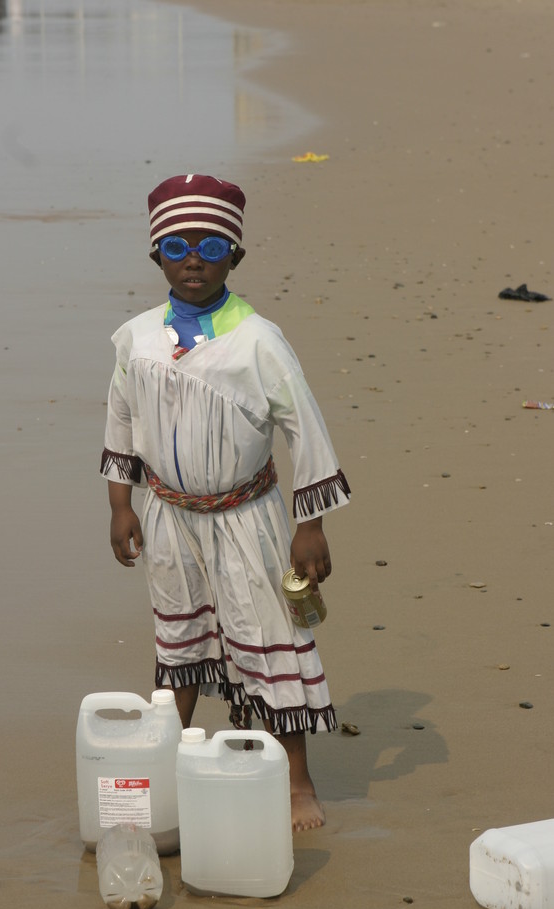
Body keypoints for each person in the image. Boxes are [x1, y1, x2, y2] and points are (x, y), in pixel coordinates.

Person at [101, 173, 351, 832]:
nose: (192, 261)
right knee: (178, 640)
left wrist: (310, 527)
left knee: (270, 638)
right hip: (165, 515)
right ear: (156, 255)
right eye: (177, 247)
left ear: (233, 258)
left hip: (249, 516)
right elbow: (119, 423)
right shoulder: (135, 339)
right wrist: (119, 507)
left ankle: (298, 783)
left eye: (210, 248)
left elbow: (305, 429)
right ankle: (157, 775)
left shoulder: (259, 340)